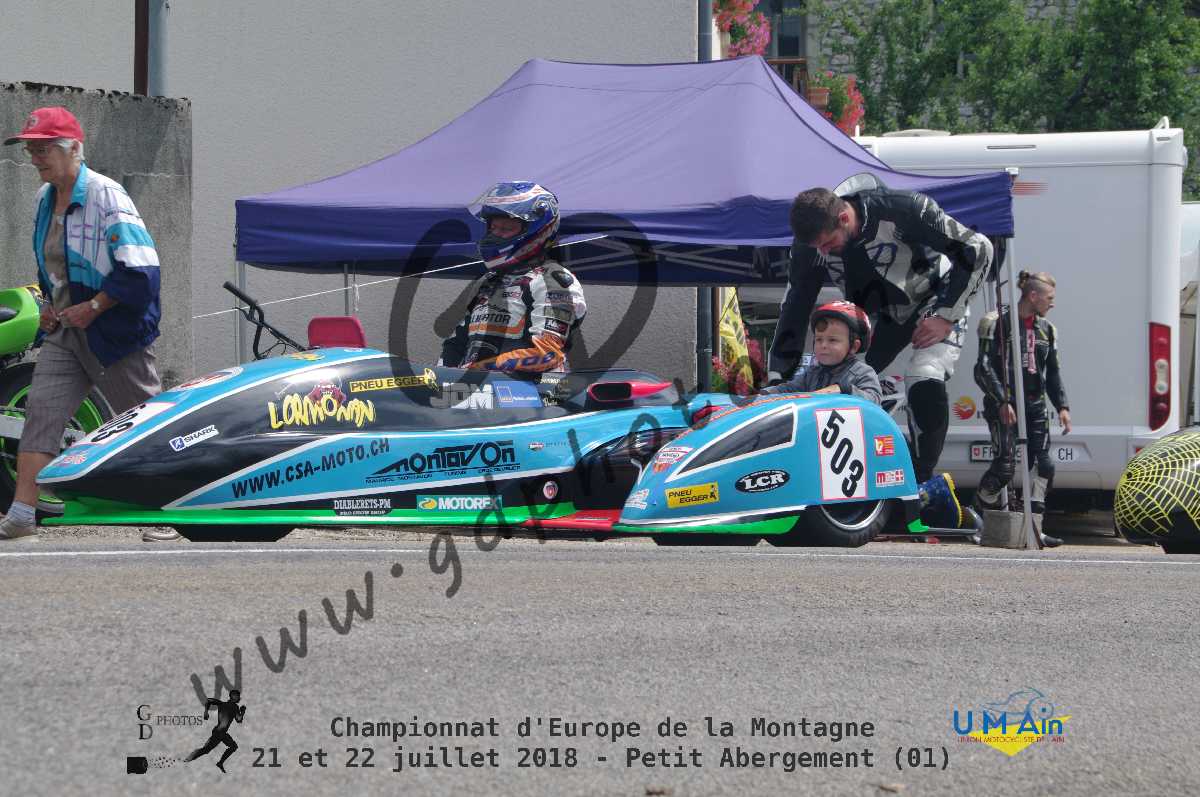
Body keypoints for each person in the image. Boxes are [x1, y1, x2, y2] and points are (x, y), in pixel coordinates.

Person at [0, 107, 173, 542]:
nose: (34, 158)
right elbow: (51, 264)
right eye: (30, 150)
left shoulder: (107, 195)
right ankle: (21, 514)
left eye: (43, 149)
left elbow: (142, 271)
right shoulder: (44, 199)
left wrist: (94, 306)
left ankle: (168, 514)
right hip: (66, 330)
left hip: (116, 333)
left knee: (147, 422)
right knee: (41, 414)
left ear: (74, 149)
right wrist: (49, 303)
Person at [768, 181, 993, 484]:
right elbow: (796, 305)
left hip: (934, 299)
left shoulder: (905, 208)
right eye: (816, 247)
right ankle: (848, 478)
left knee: (925, 373)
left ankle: (921, 482)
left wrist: (945, 315)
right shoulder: (809, 249)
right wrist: (778, 376)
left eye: (828, 244)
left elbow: (978, 247)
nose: (822, 252)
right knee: (842, 384)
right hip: (881, 316)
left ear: (844, 218)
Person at [759, 299, 968, 532]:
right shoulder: (812, 373)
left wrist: (844, 390)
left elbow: (873, 400)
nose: (823, 346)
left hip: (862, 450)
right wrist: (761, 395)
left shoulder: (861, 372)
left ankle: (931, 498)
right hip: (827, 451)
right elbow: (789, 390)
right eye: (819, 340)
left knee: (900, 506)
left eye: (832, 340)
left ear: (854, 346)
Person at [439, 181, 586, 374]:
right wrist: (440, 377)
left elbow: (547, 354)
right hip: (474, 386)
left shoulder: (552, 280)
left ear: (537, 230)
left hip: (532, 389)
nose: (496, 235)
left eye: (506, 229)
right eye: (494, 228)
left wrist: (481, 369)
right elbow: (456, 344)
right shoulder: (487, 281)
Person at [973, 270, 1070, 548]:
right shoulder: (995, 322)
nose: (1053, 303)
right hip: (1003, 405)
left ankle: (1035, 530)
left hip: (1035, 406)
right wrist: (1003, 399)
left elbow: (1053, 373)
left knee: (1044, 465)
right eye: (1049, 298)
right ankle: (976, 519)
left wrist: (1062, 406)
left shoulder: (1047, 330)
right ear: (1033, 295)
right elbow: (982, 368)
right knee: (1004, 468)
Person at [186, 690, 246, 773]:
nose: (239, 698)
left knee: (233, 746)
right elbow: (239, 719)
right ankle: (188, 759)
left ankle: (220, 763)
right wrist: (242, 712)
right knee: (206, 750)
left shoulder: (222, 704)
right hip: (219, 733)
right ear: (233, 696)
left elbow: (208, 700)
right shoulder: (232, 706)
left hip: (221, 732)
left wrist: (206, 712)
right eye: (238, 696)